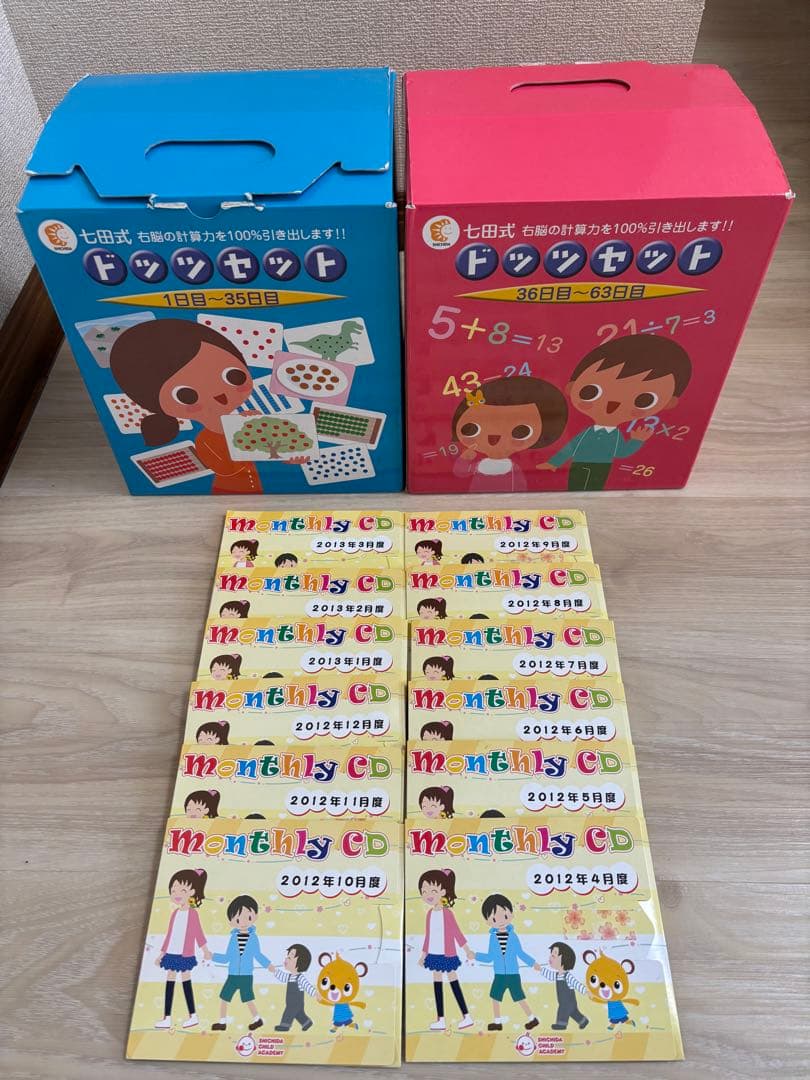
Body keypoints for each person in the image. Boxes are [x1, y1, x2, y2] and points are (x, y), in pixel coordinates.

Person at [110, 320, 307, 494]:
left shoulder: (250, 418)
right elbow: (227, 469)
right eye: (187, 396)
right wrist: (255, 440)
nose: (219, 395)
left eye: (233, 376)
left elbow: (276, 450)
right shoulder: (205, 441)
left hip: (263, 489)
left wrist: (290, 454)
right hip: (230, 492)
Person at [537, 334, 692, 491]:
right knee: (575, 486)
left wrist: (636, 441)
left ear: (669, 403)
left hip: (602, 467)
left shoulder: (614, 436)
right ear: (571, 387)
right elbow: (571, 447)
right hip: (578, 464)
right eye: (591, 391)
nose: (613, 405)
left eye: (643, 400)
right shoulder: (589, 433)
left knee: (593, 487)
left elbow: (622, 452)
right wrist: (554, 463)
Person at [451, 376, 567, 492]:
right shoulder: (479, 466)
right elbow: (461, 472)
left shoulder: (512, 469)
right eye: (473, 429)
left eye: (520, 432)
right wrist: (464, 459)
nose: (494, 437)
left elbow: (521, 487)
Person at [418, 869, 474, 1031]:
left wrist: (467, 950)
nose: (428, 895)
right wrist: (423, 955)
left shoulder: (447, 913)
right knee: (437, 984)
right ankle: (441, 1019)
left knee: (453, 982)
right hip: (433, 954)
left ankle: (467, 1016)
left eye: (433, 891)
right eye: (424, 891)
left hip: (447, 954)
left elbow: (457, 932)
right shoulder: (429, 914)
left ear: (442, 891)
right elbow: (428, 936)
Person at [473, 894, 539, 1031]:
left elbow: (520, 953)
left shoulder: (513, 936)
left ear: (511, 914)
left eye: (505, 916)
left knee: (519, 997)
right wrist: (475, 956)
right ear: (488, 921)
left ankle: (533, 1019)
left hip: (513, 974)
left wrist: (533, 963)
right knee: (495, 997)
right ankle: (497, 1022)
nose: (501, 921)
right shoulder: (492, 938)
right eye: (494, 918)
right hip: (499, 975)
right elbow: (490, 957)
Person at [154, 868, 210, 1029]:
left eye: (182, 890)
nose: (177, 894)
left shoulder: (192, 914)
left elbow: (198, 933)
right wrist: (161, 954)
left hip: (185, 954)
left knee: (186, 981)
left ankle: (193, 1016)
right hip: (171, 953)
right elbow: (169, 935)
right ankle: (167, 1018)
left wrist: (205, 950)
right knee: (170, 982)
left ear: (192, 892)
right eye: (174, 890)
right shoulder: (175, 913)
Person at [211, 895, 272, 1032]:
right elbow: (227, 957)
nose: (243, 922)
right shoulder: (233, 938)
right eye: (238, 919)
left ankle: (257, 1019)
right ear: (231, 922)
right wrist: (212, 956)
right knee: (224, 998)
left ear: (255, 916)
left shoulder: (253, 938)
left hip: (246, 975)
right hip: (232, 975)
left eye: (248, 917)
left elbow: (258, 955)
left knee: (248, 999)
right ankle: (222, 1022)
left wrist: (268, 965)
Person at [538, 941, 590, 1030]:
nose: (550, 958)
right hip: (566, 1002)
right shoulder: (556, 975)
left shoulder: (568, 976)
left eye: (553, 956)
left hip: (568, 1003)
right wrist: (540, 969)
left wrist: (586, 991)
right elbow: (549, 975)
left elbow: (576, 984)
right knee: (574, 1013)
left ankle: (561, 1024)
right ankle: (583, 1021)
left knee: (563, 1010)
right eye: (551, 955)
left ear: (564, 959)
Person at [269, 944, 316, 1032]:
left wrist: (315, 994)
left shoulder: (300, 978)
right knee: (299, 1014)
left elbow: (307, 986)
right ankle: (307, 1022)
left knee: (289, 1012)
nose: (286, 959)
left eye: (289, 958)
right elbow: (282, 976)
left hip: (296, 1003)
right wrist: (274, 970)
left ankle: (285, 1025)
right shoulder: (289, 976)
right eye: (287, 957)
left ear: (300, 963)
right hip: (291, 1002)